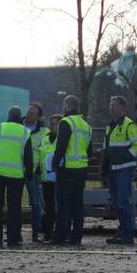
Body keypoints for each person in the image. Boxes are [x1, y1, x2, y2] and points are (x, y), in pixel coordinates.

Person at [0, 106, 35, 249]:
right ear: (21, 117)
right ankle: (13, 239)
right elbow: (28, 157)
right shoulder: (25, 132)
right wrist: (29, 175)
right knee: (14, 208)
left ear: (8, 115)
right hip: (16, 176)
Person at [101, 96, 137, 246]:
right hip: (113, 170)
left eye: (114, 105)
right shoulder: (110, 127)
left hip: (124, 170)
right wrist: (104, 169)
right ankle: (122, 233)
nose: (111, 107)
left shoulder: (128, 125)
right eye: (110, 104)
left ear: (122, 107)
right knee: (117, 203)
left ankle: (127, 234)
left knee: (123, 202)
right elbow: (107, 150)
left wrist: (126, 156)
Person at [50, 96, 91, 247]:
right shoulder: (86, 125)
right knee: (77, 205)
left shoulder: (66, 122)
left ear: (67, 106)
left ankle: (60, 236)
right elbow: (89, 148)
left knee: (63, 205)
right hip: (81, 168)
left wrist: (54, 163)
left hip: (67, 170)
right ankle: (76, 237)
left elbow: (61, 146)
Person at [23, 103, 49, 243]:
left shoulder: (44, 132)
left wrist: (40, 167)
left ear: (38, 116)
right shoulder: (18, 127)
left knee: (36, 203)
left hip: (34, 172)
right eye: (28, 112)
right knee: (14, 202)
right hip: (17, 171)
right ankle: (14, 233)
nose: (29, 115)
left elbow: (45, 151)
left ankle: (36, 233)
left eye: (32, 113)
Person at [40, 114, 61, 241]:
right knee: (48, 207)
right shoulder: (46, 138)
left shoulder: (62, 139)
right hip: (46, 178)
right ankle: (48, 233)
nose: (51, 126)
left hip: (59, 178)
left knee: (59, 207)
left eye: (54, 124)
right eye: (51, 123)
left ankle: (59, 232)